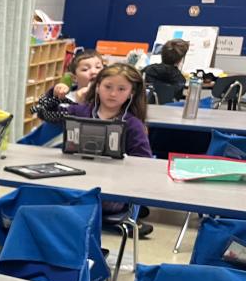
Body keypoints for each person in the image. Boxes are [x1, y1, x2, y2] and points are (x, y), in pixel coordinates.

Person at [67, 63, 154, 236]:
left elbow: (144, 162)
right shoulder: (81, 111)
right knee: (48, 191)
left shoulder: (132, 124)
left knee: (69, 200)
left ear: (131, 93)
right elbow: (41, 111)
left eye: (121, 89)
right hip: (76, 179)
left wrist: (120, 164)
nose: (113, 94)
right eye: (108, 87)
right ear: (97, 87)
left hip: (110, 188)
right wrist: (55, 93)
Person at [32, 48, 104, 122]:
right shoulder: (67, 99)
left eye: (98, 67)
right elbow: (46, 116)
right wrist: (53, 94)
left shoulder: (108, 98)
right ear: (74, 78)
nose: (94, 71)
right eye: (85, 69)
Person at [144, 38, 189, 104]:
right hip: (168, 110)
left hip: (147, 107)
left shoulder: (148, 70)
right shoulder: (180, 79)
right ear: (180, 60)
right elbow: (176, 98)